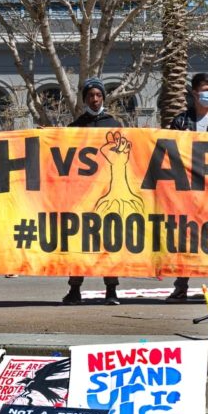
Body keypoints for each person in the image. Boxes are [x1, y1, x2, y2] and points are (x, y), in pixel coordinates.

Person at [166, 72, 208, 304]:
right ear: (194, 93)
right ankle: (181, 286)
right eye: (205, 90)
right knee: (185, 238)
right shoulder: (181, 121)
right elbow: (168, 153)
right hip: (187, 191)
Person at [64, 77, 123, 305]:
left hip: (108, 194)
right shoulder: (76, 127)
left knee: (110, 242)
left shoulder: (114, 125)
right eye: (91, 96)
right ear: (85, 99)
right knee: (79, 243)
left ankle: (111, 290)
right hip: (82, 195)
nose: (95, 100)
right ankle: (74, 289)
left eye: (98, 95)